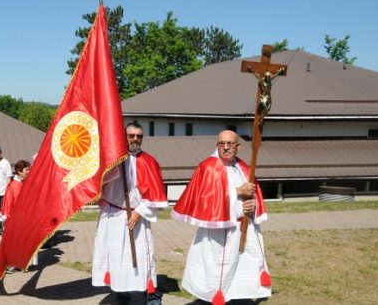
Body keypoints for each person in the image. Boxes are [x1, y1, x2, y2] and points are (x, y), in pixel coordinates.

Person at [171, 130, 271, 304]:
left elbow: (254, 194)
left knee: (242, 272)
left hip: (243, 229)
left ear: (238, 146)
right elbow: (205, 199)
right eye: (221, 144)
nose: (225, 148)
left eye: (230, 144)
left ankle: (241, 300)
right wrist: (238, 192)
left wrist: (252, 205)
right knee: (219, 274)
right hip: (218, 233)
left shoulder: (244, 167)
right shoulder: (208, 167)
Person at [92, 122, 167, 305]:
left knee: (143, 257)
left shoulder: (149, 162)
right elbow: (98, 185)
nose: (135, 139)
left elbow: (156, 196)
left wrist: (138, 212)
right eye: (131, 135)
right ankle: (121, 295)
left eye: (139, 136)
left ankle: (149, 295)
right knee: (118, 258)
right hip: (114, 218)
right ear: (124, 136)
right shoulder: (112, 160)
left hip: (138, 218)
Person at [0, 160, 36, 271]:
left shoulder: (29, 183)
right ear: (19, 171)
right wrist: (8, 219)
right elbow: (8, 203)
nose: (29, 171)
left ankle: (25, 263)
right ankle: (13, 263)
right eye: (27, 169)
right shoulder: (12, 186)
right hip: (16, 219)